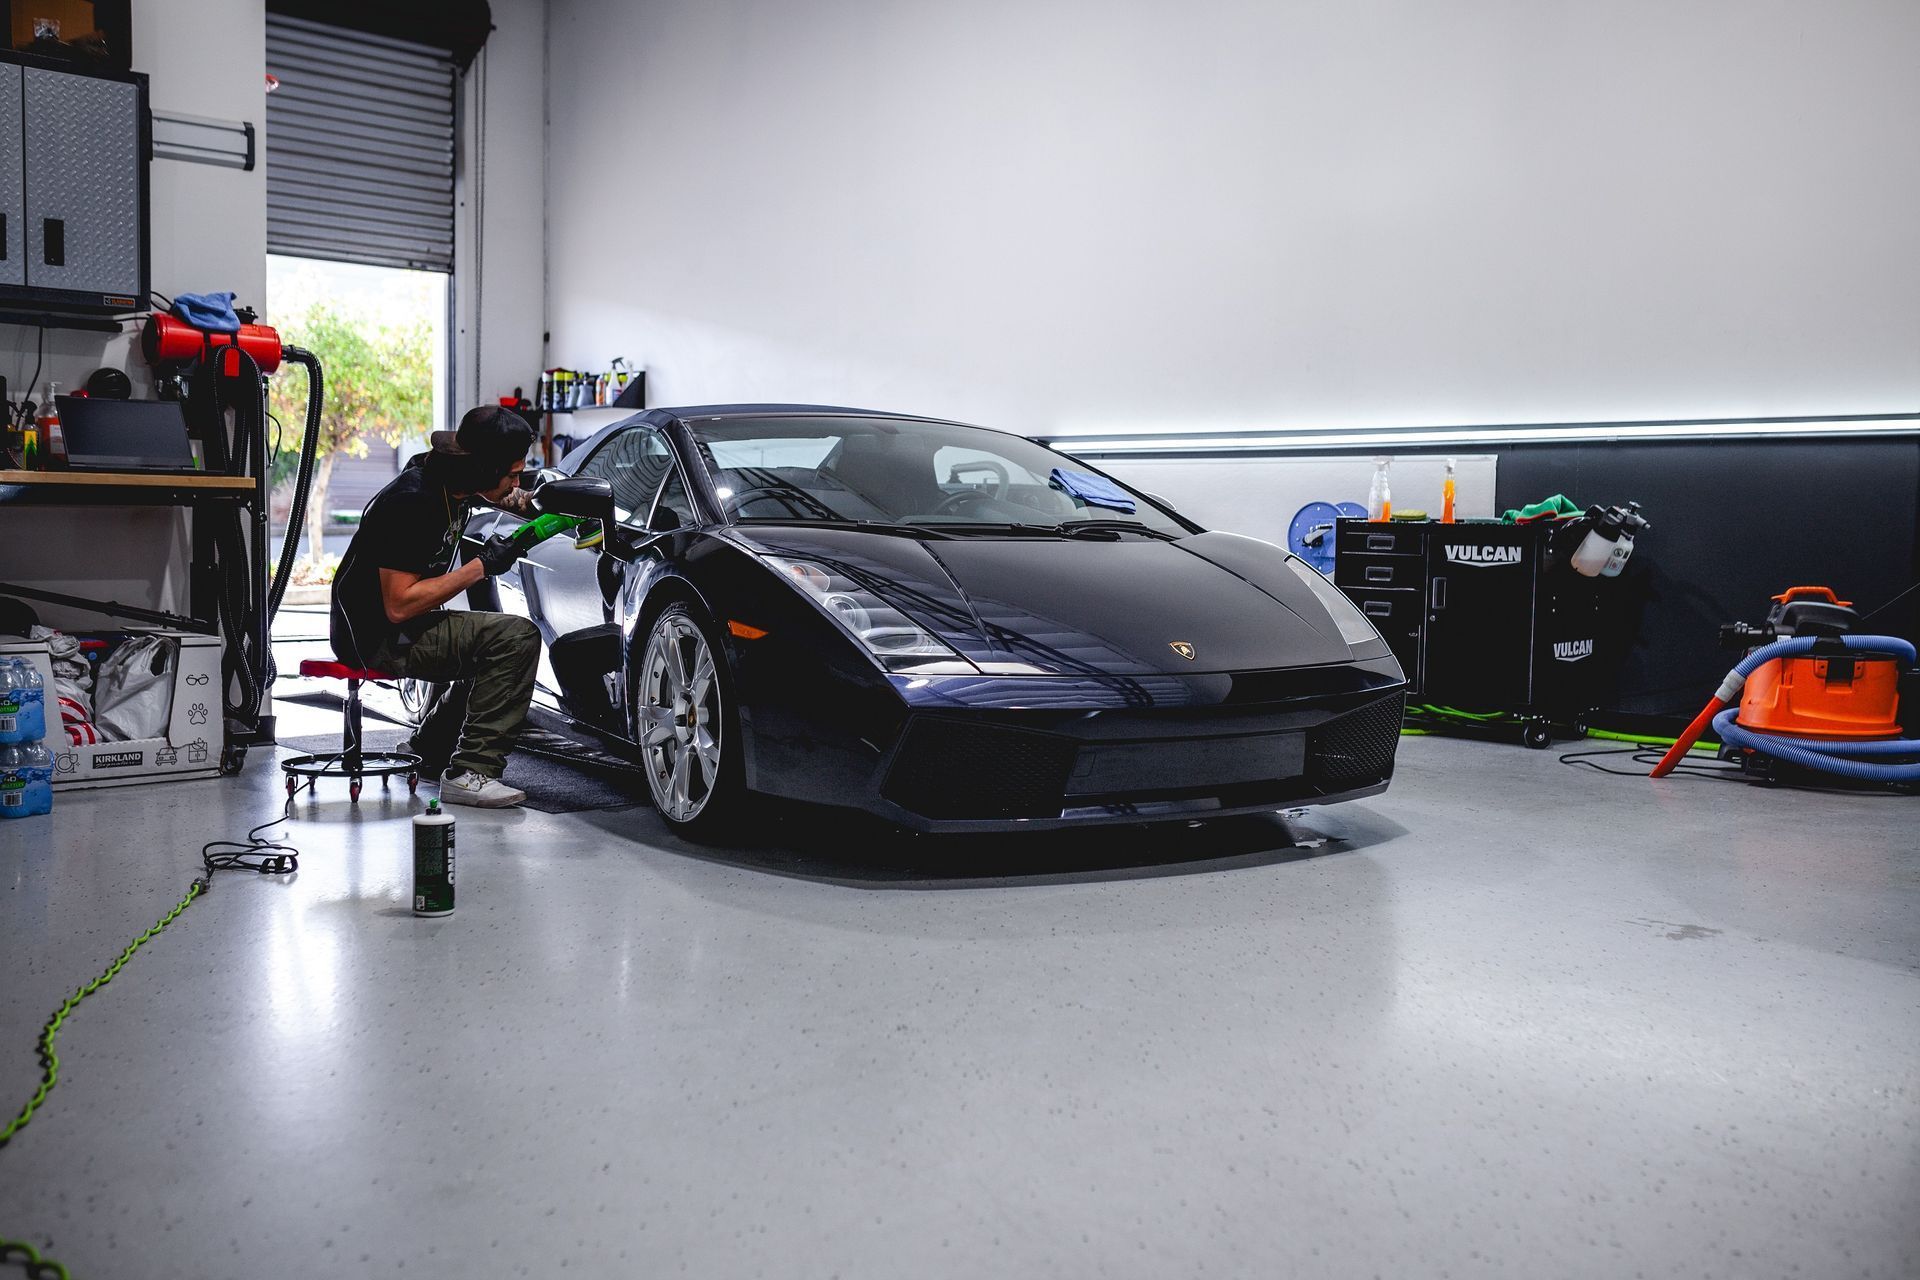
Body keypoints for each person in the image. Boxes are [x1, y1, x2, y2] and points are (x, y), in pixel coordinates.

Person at [329, 404, 542, 807]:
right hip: (375, 635)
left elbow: (511, 498)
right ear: (483, 469)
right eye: (511, 473)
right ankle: (472, 772)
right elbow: (398, 605)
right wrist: (482, 566)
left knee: (483, 645)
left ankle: (425, 750)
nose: (515, 482)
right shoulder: (414, 501)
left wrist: (548, 504)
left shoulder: (455, 482)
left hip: (397, 625)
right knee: (515, 638)